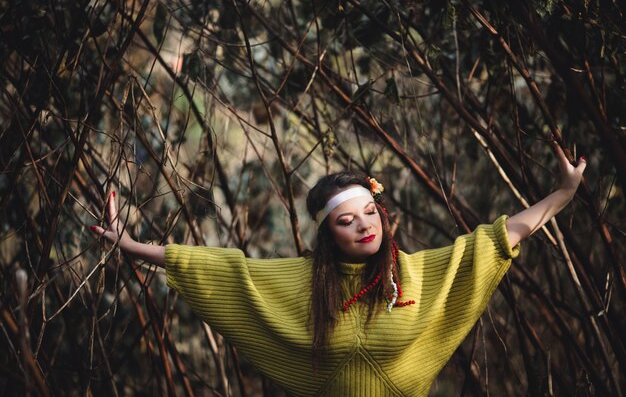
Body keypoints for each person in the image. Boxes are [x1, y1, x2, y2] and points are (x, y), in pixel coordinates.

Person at [90, 142, 586, 397]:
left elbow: (498, 239)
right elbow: (220, 270)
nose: (365, 227)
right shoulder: (302, 283)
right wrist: (132, 245)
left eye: (371, 214)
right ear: (329, 234)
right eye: (348, 221)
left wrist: (562, 195)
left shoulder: (413, 276)